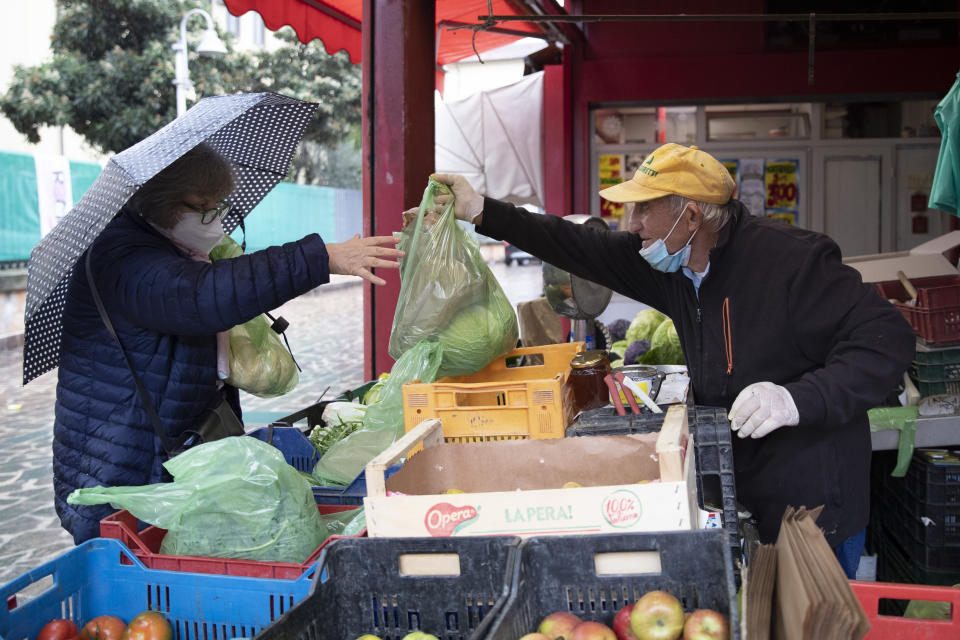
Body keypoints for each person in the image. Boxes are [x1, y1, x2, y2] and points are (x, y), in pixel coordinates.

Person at [432, 143, 916, 577]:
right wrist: (481, 211)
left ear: (690, 217)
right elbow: (580, 245)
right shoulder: (675, 266)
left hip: (813, 511)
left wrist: (796, 399)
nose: (632, 223)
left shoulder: (791, 262)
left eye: (643, 208)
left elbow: (887, 340)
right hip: (739, 495)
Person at [54, 143, 403, 543]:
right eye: (204, 206)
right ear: (161, 201)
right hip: (121, 464)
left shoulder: (176, 247)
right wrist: (317, 258)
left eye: (221, 205)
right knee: (137, 570)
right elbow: (202, 297)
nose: (216, 218)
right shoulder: (121, 256)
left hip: (168, 452)